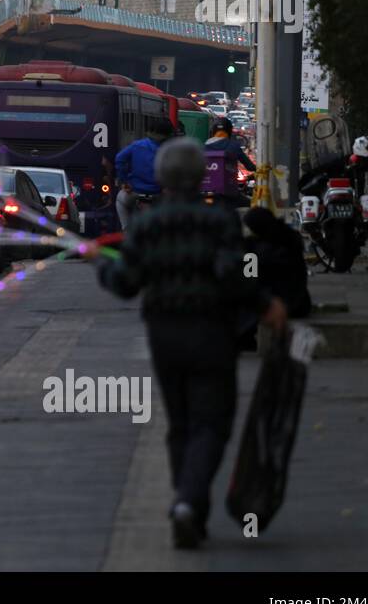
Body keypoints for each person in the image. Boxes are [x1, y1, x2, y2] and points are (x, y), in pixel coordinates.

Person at [86, 137, 287, 549]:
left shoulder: (145, 225)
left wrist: (100, 265)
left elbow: (125, 284)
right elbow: (234, 275)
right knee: (211, 422)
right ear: (200, 176)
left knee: (180, 423)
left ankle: (187, 505)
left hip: (163, 336)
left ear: (161, 176)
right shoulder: (221, 222)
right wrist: (266, 305)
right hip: (212, 332)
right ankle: (187, 504)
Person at [113, 128, 167, 229]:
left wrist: (124, 181)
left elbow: (119, 159)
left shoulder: (138, 145)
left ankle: (126, 229)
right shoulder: (169, 149)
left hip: (135, 192)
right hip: (158, 194)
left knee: (120, 200)